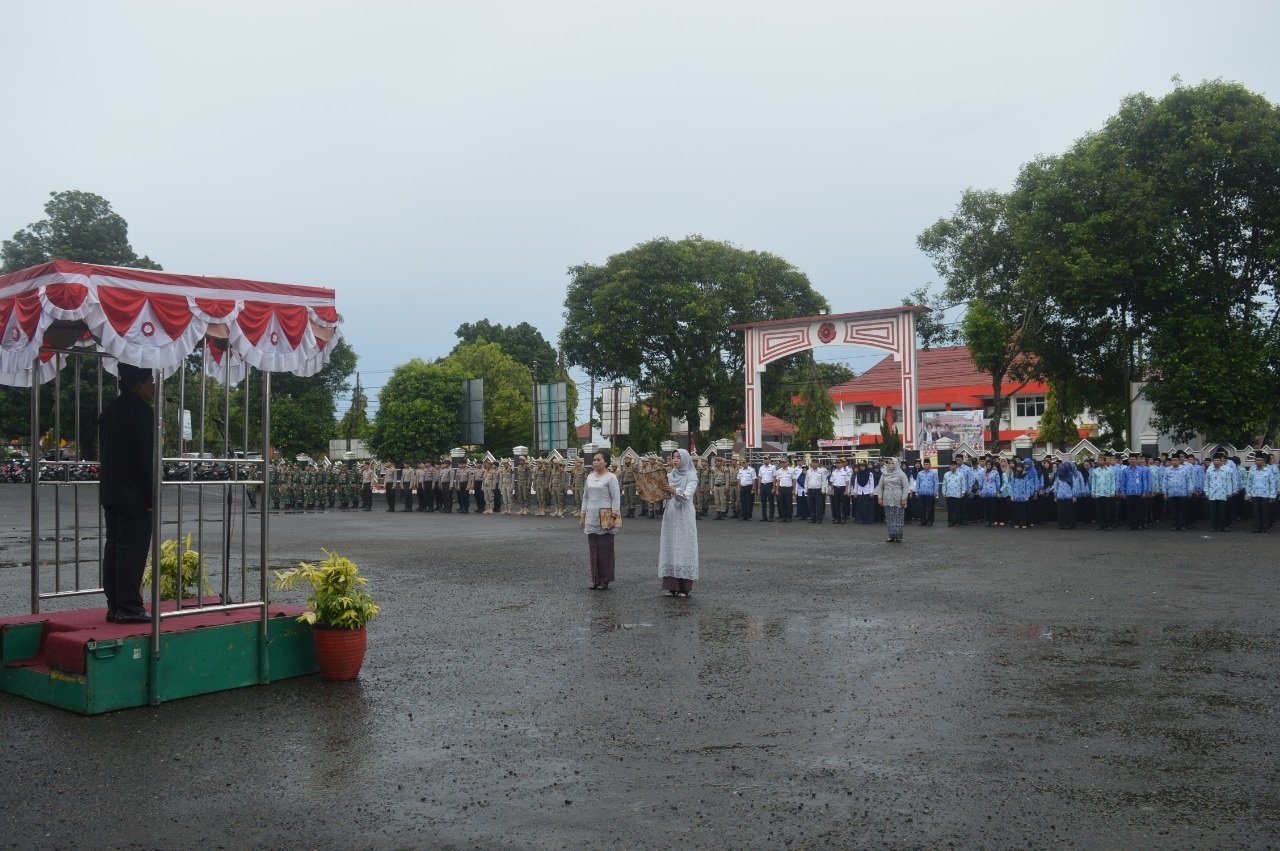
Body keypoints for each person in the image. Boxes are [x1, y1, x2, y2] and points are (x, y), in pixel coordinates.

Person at [99, 363, 156, 624]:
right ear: (138, 384)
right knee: (132, 551)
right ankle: (130, 606)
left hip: (111, 490)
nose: (153, 386)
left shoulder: (110, 410)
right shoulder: (142, 412)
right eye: (150, 381)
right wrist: (150, 496)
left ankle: (114, 604)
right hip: (134, 493)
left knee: (114, 547)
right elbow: (146, 459)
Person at [659, 449, 700, 598]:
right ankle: (671, 586)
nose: (675, 460)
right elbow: (662, 494)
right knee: (670, 546)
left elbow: (687, 496)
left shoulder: (692, 476)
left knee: (683, 546)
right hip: (670, 514)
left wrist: (674, 491)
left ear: (685, 459)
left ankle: (684, 587)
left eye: (678, 457)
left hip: (684, 515)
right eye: (673, 457)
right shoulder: (669, 476)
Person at [579, 449, 621, 590]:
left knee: (605, 549)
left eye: (598, 459)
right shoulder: (590, 477)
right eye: (594, 460)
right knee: (593, 549)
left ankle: (605, 580)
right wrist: (582, 515)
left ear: (606, 462)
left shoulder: (611, 477)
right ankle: (595, 579)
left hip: (605, 516)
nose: (595, 462)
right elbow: (585, 497)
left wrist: (613, 517)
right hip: (591, 516)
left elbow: (616, 498)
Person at [875, 456, 910, 543]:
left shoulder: (901, 474)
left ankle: (898, 536)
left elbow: (906, 487)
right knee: (889, 517)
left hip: (898, 497)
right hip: (887, 497)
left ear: (896, 464)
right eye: (889, 463)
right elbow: (880, 486)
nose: (890, 465)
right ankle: (891, 536)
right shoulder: (884, 473)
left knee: (898, 517)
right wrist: (880, 497)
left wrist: (904, 498)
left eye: (892, 463)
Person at [914, 458, 938, 526]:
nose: (926, 466)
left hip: (930, 493)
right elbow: (917, 483)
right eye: (924, 464)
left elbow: (936, 483)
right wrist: (916, 492)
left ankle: (930, 521)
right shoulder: (920, 473)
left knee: (930, 508)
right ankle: (923, 521)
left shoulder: (934, 473)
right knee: (922, 508)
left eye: (927, 464)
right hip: (921, 493)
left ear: (930, 465)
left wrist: (935, 491)